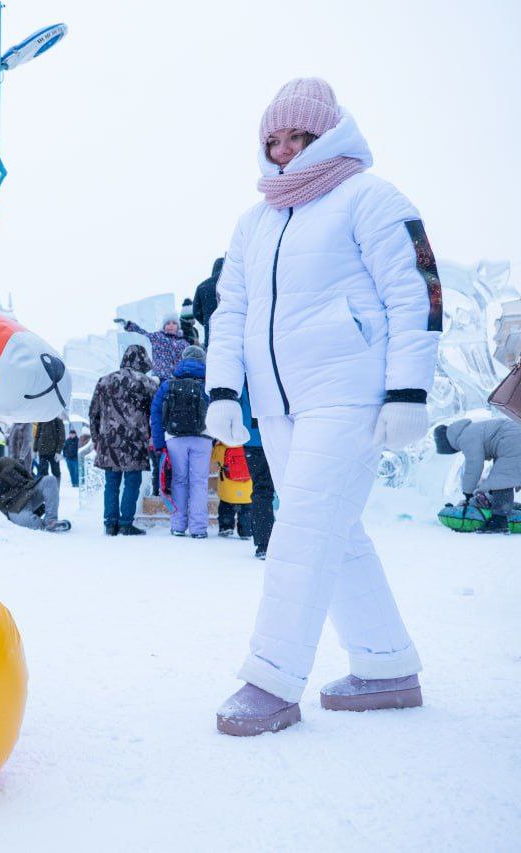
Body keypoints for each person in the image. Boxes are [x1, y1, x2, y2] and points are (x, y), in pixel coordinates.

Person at [205, 78, 441, 735]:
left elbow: (416, 291)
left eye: (297, 137)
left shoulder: (369, 198)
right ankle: (385, 662)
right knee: (335, 528)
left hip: (352, 392)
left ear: (327, 134)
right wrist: (224, 390)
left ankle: (272, 678)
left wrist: (407, 390)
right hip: (281, 404)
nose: (282, 151)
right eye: (272, 140)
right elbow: (232, 312)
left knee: (305, 523)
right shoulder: (254, 223)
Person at [90, 344, 157, 536]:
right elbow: (156, 413)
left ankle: (110, 523)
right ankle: (126, 522)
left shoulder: (104, 381)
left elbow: (94, 412)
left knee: (111, 483)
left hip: (108, 441)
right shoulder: (147, 383)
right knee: (132, 481)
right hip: (134, 441)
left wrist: (96, 439)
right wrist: (153, 437)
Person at [151, 344, 211, 538]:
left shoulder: (168, 384)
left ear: (182, 359)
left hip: (175, 438)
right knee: (199, 483)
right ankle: (198, 528)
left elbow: (156, 413)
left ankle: (178, 525)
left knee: (179, 481)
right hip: (203, 437)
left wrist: (159, 443)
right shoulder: (209, 383)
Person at [434, 418, 521, 534]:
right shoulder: (470, 430)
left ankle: (499, 521)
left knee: (501, 480)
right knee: (501, 477)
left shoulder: (466, 437)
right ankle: (506, 510)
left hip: (513, 441)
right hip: (512, 438)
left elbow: (474, 465)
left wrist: (468, 492)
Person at [0, 456, 71, 533]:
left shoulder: (6, 461)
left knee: (49, 480)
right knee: (28, 521)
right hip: (14, 507)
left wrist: (33, 485)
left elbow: (25, 473)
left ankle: (51, 520)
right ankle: (46, 526)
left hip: (28, 492)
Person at [239, 388, 276, 559]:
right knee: (292, 488)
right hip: (278, 435)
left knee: (261, 490)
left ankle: (264, 543)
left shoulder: (243, 375)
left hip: (252, 439)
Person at [116, 314, 189, 379]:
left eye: (174, 323)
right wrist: (128, 325)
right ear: (164, 326)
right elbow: (142, 333)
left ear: (178, 326)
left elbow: (188, 359)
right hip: (160, 377)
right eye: (168, 323)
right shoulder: (157, 337)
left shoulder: (183, 343)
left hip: (177, 379)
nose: (171, 325)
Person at [213, 443, 252, 539]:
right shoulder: (250, 448)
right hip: (247, 490)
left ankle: (226, 527)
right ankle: (246, 531)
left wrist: (216, 444)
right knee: (246, 512)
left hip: (228, 489)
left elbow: (213, 457)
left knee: (225, 509)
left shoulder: (222, 448)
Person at [191, 257, 225, 348]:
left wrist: (207, 321)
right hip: (232, 329)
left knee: (214, 358)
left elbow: (196, 312)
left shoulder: (202, 286)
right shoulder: (232, 283)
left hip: (211, 332)